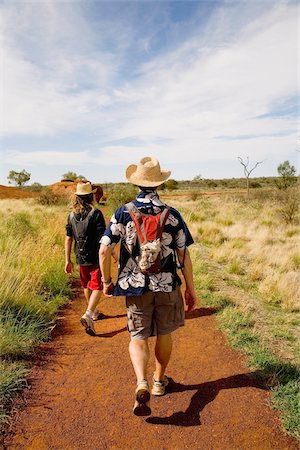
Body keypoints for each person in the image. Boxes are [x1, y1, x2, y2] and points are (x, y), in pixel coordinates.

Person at [99, 156, 197, 416]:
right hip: (166, 286)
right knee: (165, 333)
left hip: (134, 286)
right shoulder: (172, 215)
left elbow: (104, 248)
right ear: (159, 183)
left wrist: (107, 281)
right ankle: (158, 382)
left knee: (138, 336)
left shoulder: (123, 212)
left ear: (137, 183)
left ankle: (141, 380)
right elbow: (183, 256)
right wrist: (190, 288)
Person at [65, 181, 106, 336]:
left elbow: (68, 239)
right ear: (91, 196)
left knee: (86, 284)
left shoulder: (70, 215)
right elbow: (103, 237)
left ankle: (93, 311)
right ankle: (89, 313)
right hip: (95, 256)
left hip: (79, 256)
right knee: (97, 286)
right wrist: (113, 254)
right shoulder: (96, 213)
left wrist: (67, 260)